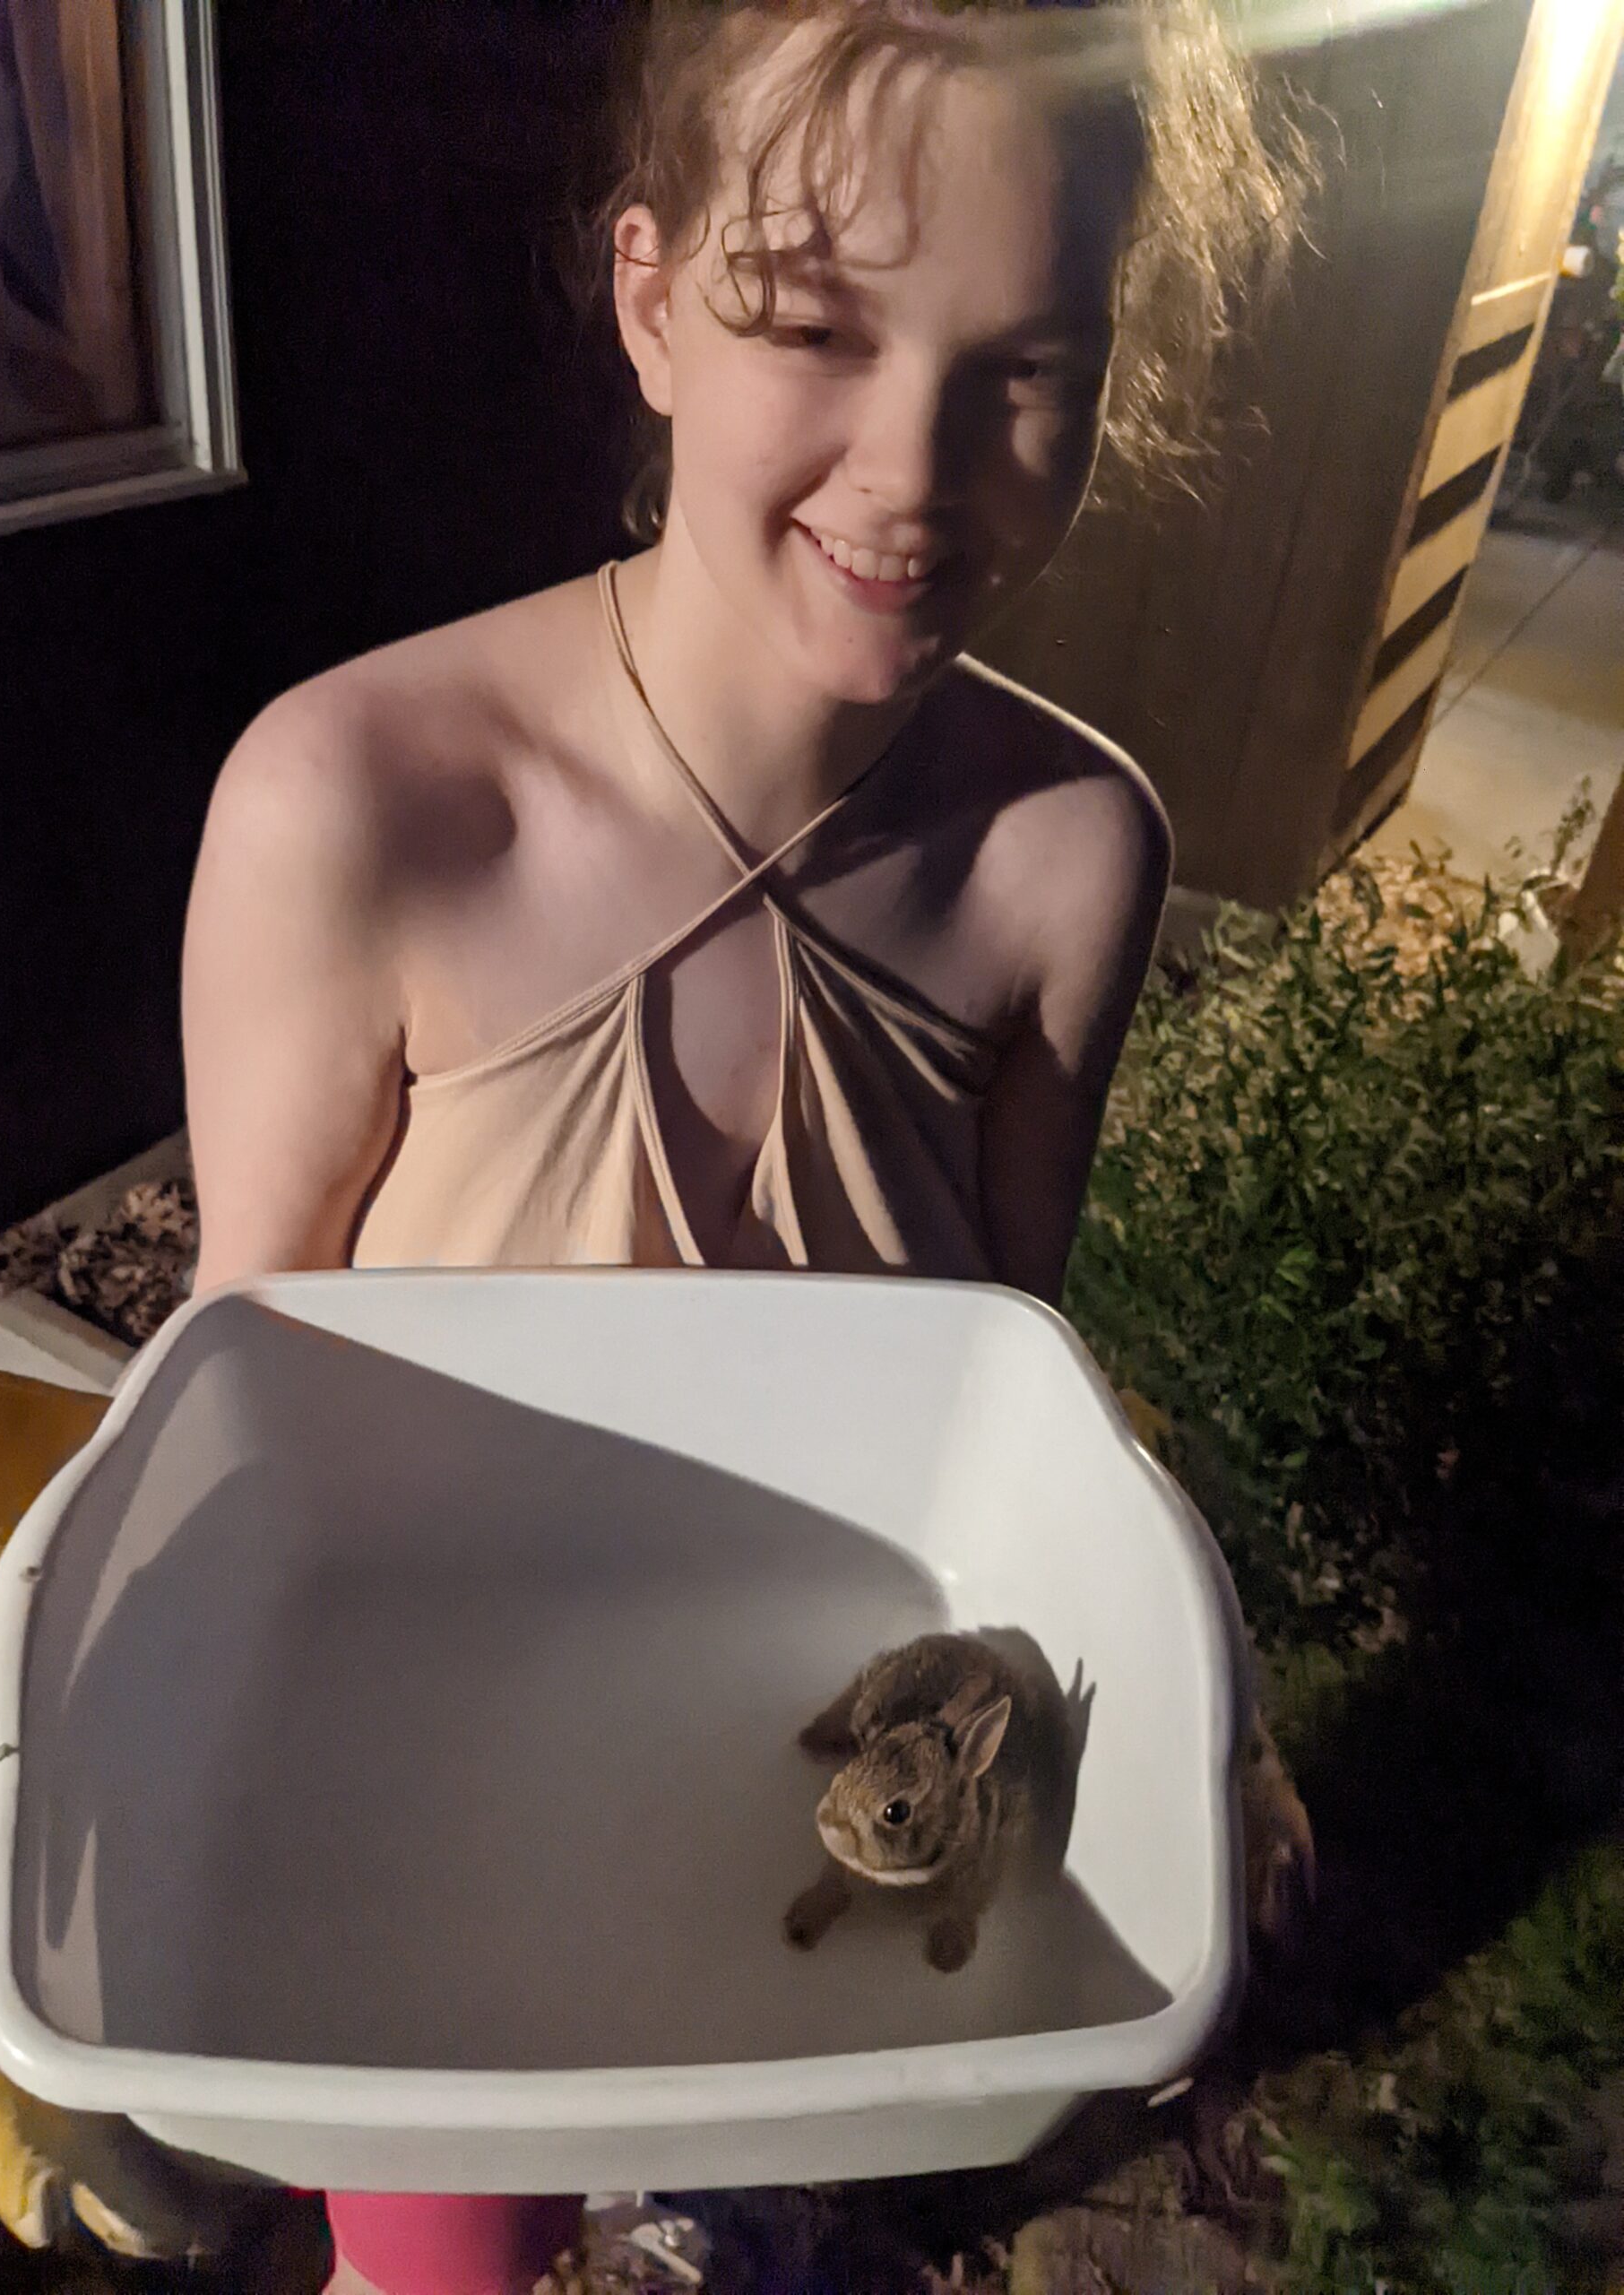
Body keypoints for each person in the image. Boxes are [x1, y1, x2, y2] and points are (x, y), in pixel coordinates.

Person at [182, 3, 1304, 2288]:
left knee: (778, 2193)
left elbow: (1007, 1373)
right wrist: (26, 1708)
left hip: (826, 1787)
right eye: (813, 323)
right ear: (650, 296)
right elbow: (245, 1364)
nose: (916, 469)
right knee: (447, 2256)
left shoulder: (1071, 851)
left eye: (1025, 366)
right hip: (431, 1796)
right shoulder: (361, 802)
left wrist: (1210, 1685)